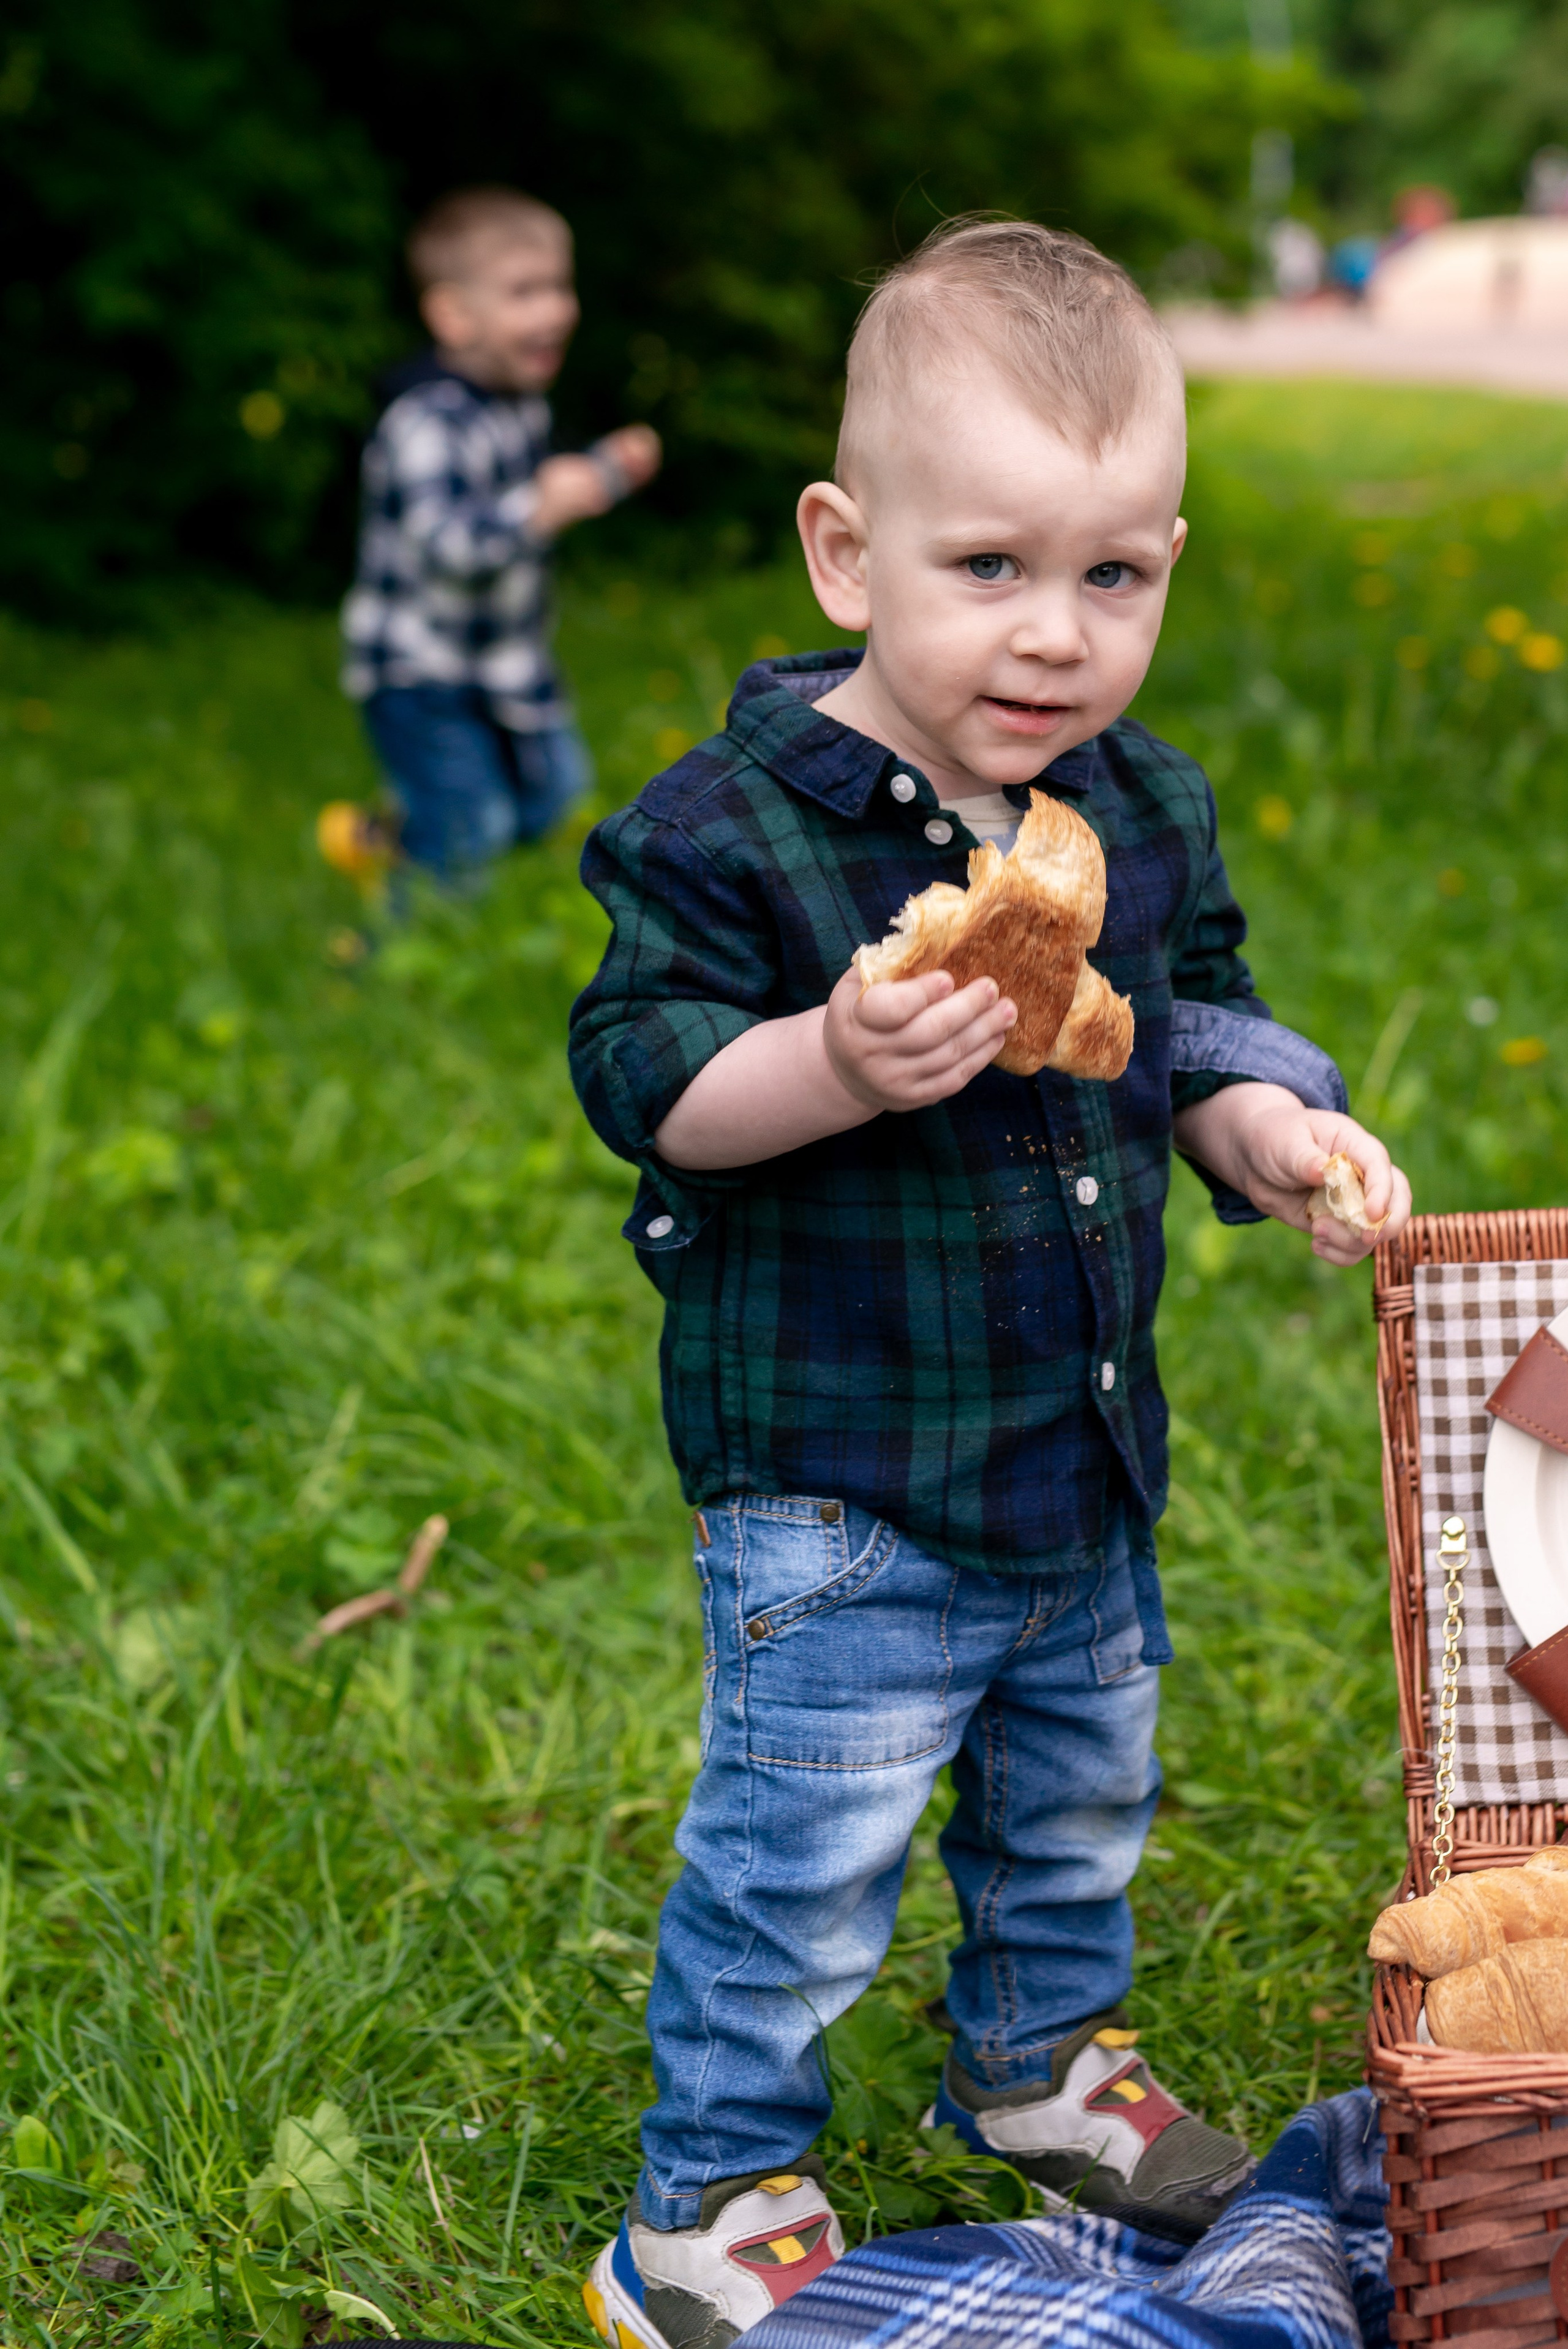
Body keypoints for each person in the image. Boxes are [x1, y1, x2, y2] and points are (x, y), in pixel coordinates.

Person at [568, 217, 1411, 2349]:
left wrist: (1272, 1133)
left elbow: (1186, 1024)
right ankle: (706, 2196)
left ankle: (1040, 2062)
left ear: (1169, 563)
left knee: (1076, 1797)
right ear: (848, 554)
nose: (1056, 637)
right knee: (805, 1849)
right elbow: (648, 1078)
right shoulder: (734, 831)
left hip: (1075, 1438)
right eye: (991, 569)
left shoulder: (1135, 807)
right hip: (841, 1472)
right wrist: (835, 1058)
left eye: (1113, 575)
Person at [331, 186, 661, 885]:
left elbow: (543, 484)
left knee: (554, 799)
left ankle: (387, 830)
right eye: (524, 292)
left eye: (559, 287)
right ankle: (385, 962)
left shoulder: (518, 406)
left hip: (505, 658)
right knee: (468, 834)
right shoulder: (425, 422)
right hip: (419, 669)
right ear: (453, 315)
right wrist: (541, 510)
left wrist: (609, 467)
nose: (555, 311)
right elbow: (453, 547)